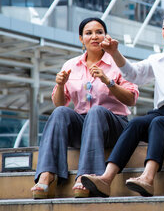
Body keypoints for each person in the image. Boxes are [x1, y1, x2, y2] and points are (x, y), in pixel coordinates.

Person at [81, 8, 164, 197]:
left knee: (159, 122)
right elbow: (133, 74)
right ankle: (106, 178)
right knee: (136, 123)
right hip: (162, 114)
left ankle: (148, 178)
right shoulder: (157, 59)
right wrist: (115, 53)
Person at [31, 18, 139, 199]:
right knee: (60, 113)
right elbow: (59, 103)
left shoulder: (117, 63)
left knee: (96, 111)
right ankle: (47, 174)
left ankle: (86, 176)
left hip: (114, 126)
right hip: (83, 127)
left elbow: (131, 99)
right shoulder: (71, 65)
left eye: (99, 32)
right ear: (81, 39)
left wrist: (108, 82)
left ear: (106, 36)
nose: (94, 37)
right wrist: (60, 85)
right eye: (89, 33)